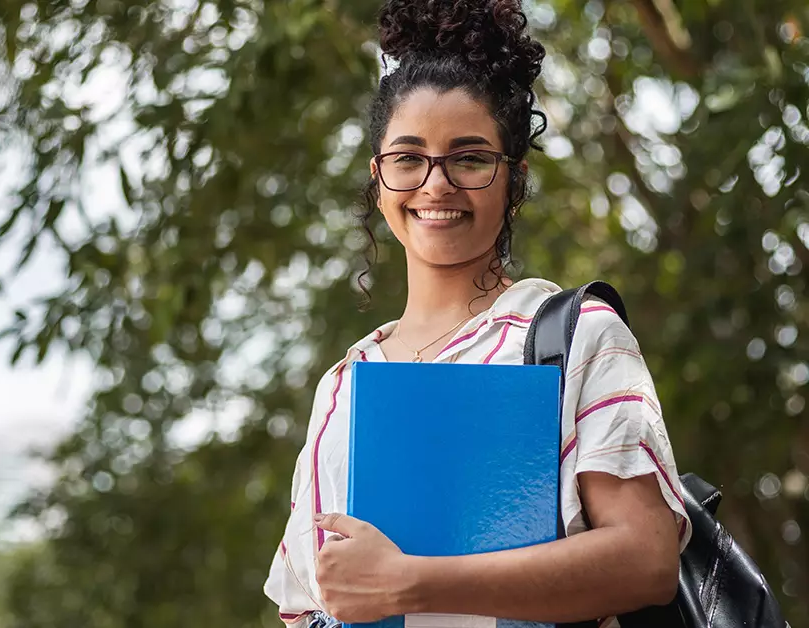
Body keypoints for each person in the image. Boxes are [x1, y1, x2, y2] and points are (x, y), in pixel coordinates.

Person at [263, 1, 691, 626]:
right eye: (409, 158)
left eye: (469, 158)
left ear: (513, 178)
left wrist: (413, 584)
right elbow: (304, 602)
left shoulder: (571, 336)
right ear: (378, 178)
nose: (436, 185)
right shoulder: (344, 384)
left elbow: (645, 559)